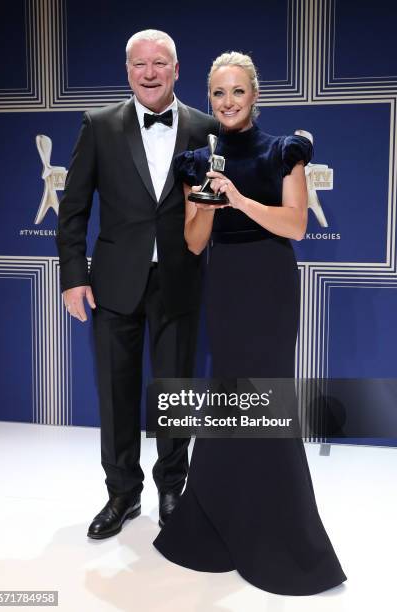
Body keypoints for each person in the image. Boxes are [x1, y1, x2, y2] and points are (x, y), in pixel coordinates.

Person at [153, 52, 347, 595]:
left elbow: (296, 224)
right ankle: (219, 515)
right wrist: (211, 199)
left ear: (254, 94)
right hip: (226, 287)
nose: (228, 102)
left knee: (268, 397)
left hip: (270, 284)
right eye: (218, 93)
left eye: (237, 91)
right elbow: (194, 242)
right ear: (208, 99)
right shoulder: (198, 159)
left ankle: (283, 532)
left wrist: (238, 197)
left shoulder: (283, 151)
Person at [56, 29, 217, 539]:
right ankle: (122, 494)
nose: (149, 73)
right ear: (127, 70)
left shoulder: (206, 127)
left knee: (175, 391)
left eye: (160, 63)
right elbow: (74, 209)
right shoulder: (99, 125)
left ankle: (173, 487)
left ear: (176, 69)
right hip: (112, 283)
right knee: (116, 395)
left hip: (179, 280)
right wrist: (73, 277)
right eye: (139, 64)